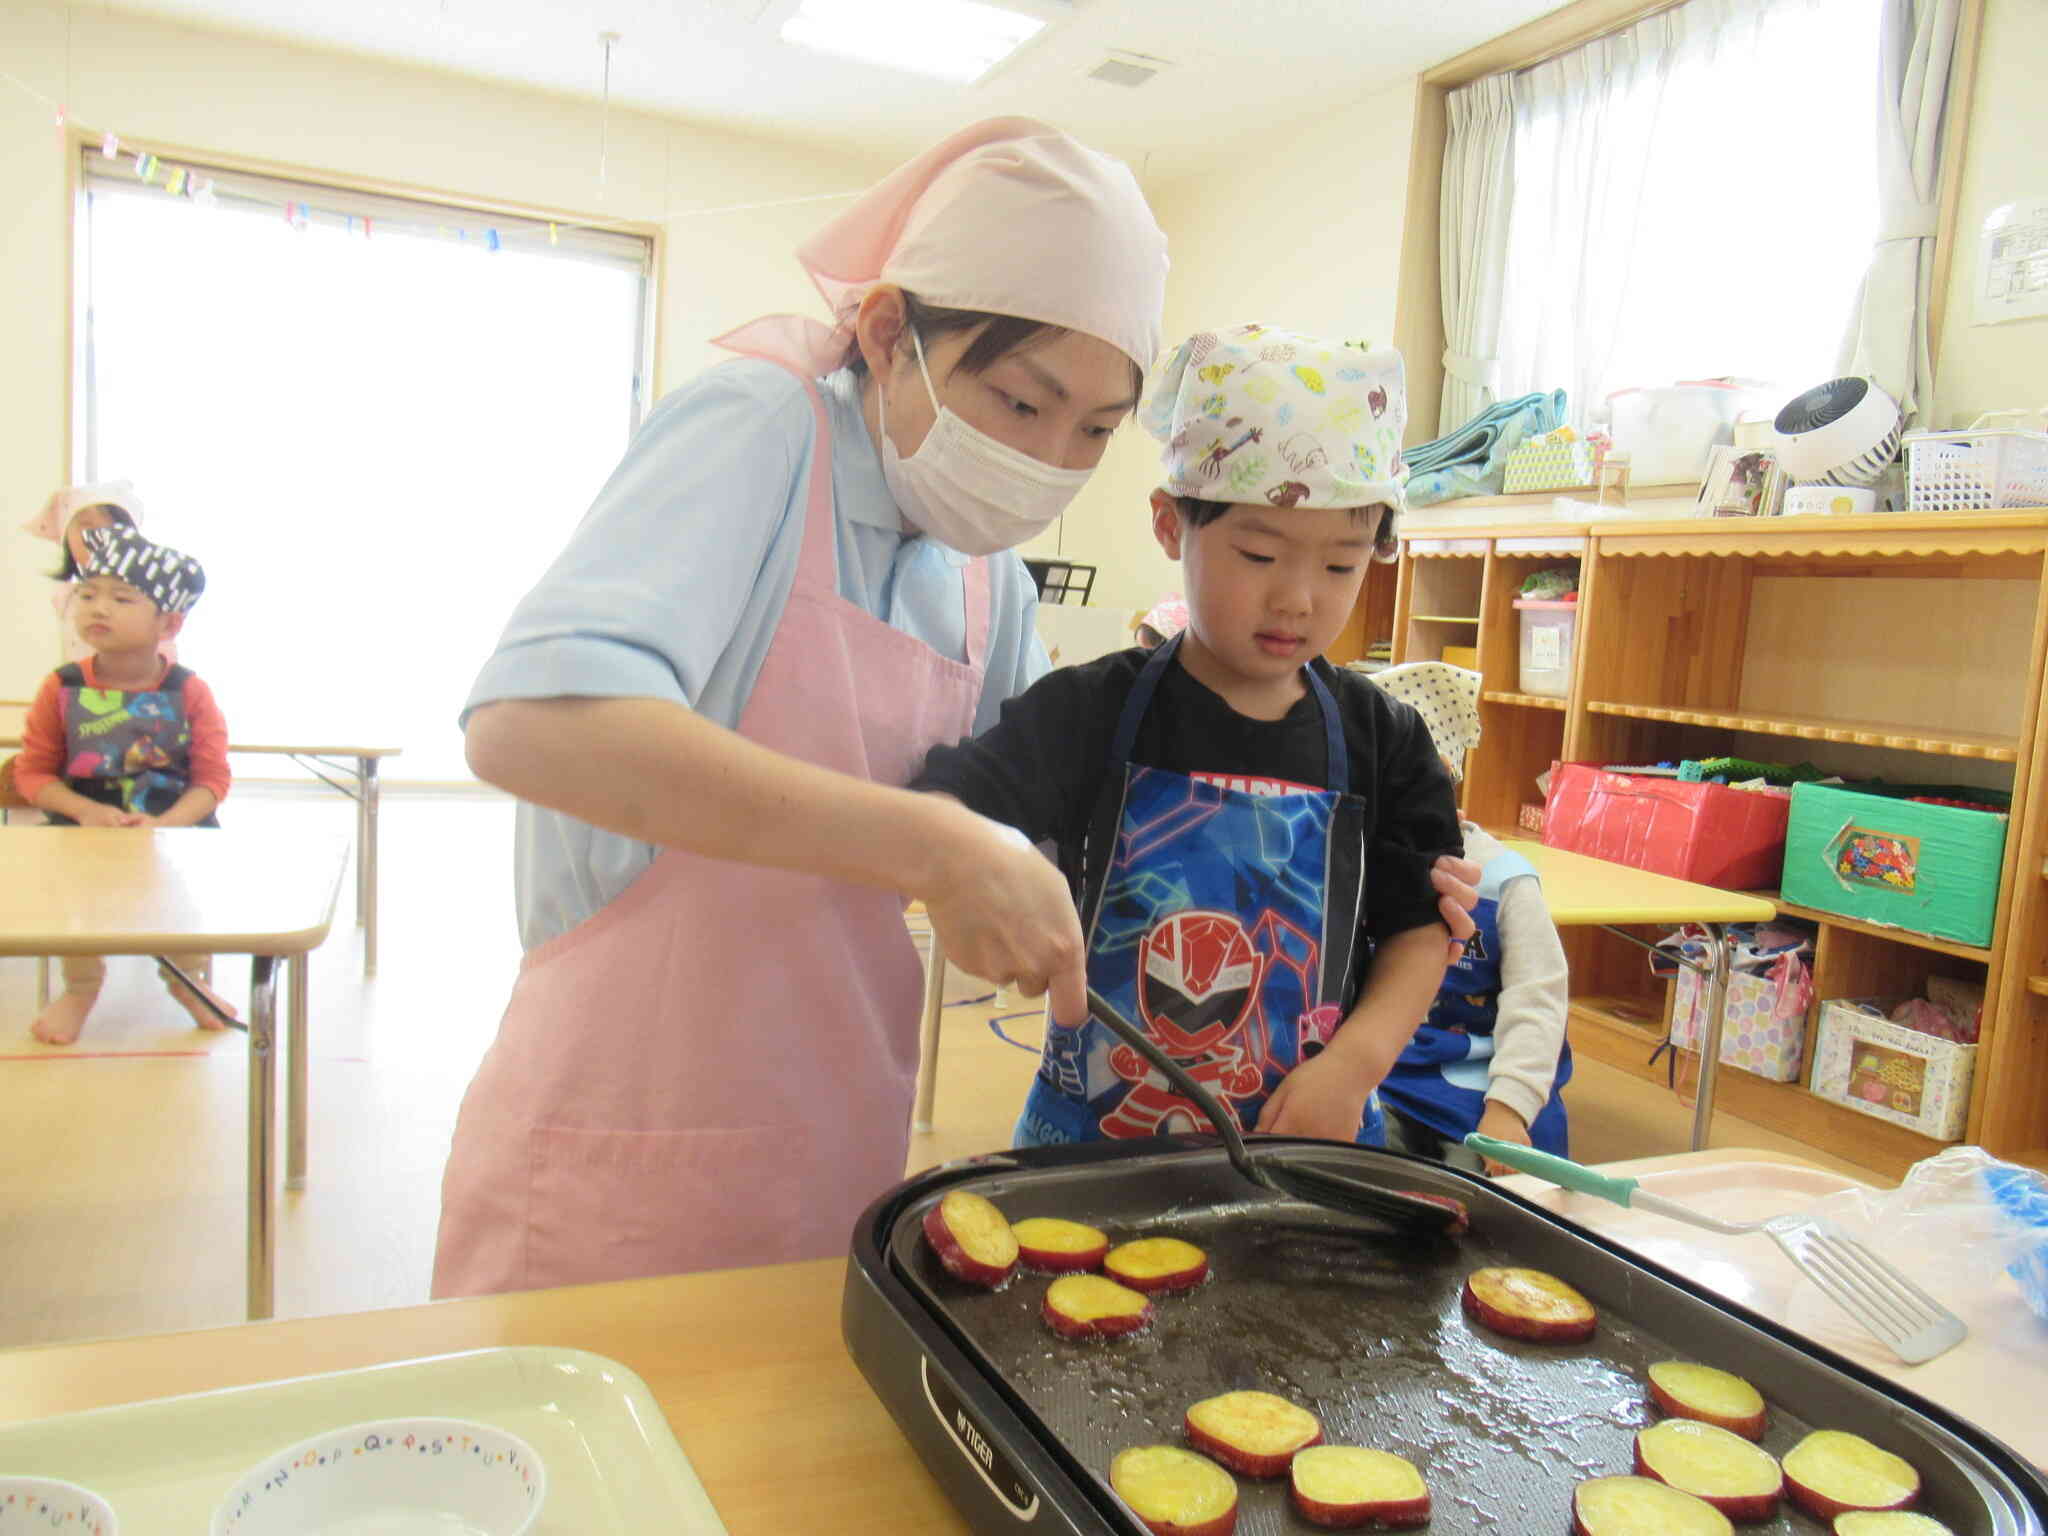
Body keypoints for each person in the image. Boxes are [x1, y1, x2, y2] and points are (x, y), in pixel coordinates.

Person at [913, 324, 1468, 1149]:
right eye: (1257, 553)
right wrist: (981, 887)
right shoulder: (1088, 712)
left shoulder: (1384, 737)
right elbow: (944, 812)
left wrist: (1353, 1068)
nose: (1297, 600)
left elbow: (1424, 927)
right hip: (1094, 1140)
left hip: (1310, 1135)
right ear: (1172, 526)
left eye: (1340, 566)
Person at [13, 525, 239, 1045]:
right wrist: (83, 812)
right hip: (82, 828)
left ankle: (189, 984)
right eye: (88, 594)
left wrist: (162, 828)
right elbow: (33, 772)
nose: (99, 607)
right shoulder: (62, 686)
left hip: (175, 828)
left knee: (184, 913)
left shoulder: (190, 691)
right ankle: (80, 987)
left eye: (122, 597)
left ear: (169, 621)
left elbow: (212, 780)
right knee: (72, 914)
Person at [1368, 662, 1572, 1172]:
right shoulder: (1360, 863)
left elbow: (1538, 1001)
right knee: (1361, 1160)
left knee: (1479, 1186)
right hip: (1381, 1068)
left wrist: (1510, 1107)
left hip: (1482, 1077)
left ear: (1446, 778)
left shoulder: (1506, 881)